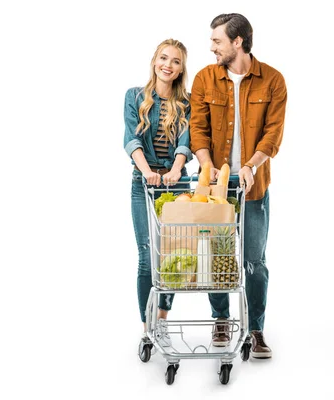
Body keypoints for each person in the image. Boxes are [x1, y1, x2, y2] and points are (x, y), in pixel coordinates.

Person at [189, 13, 287, 359]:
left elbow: (273, 133)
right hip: (214, 186)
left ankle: (256, 329)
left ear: (238, 42)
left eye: (217, 41)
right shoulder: (204, 78)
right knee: (217, 258)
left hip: (254, 186)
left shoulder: (272, 80)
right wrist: (207, 165)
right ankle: (221, 319)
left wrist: (249, 166)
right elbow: (197, 129)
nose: (211, 46)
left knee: (253, 261)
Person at [123, 39, 192, 351]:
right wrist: (148, 170)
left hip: (176, 184)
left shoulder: (186, 103)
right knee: (147, 256)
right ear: (154, 61)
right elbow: (132, 138)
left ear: (180, 69)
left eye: (175, 61)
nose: (168, 65)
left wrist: (176, 169)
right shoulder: (135, 97)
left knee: (173, 258)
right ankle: (146, 326)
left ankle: (162, 321)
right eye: (164, 58)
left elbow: (186, 140)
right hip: (144, 183)